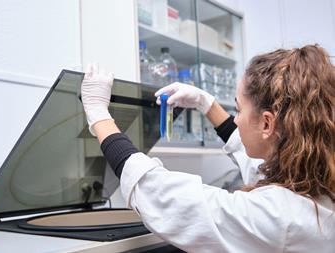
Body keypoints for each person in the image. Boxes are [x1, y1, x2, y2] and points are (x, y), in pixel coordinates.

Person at [81, 44, 335, 253]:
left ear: (267, 123)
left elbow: (164, 195)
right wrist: (206, 104)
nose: (235, 119)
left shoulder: (280, 217)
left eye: (239, 109)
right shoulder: (315, 186)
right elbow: (258, 169)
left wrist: (98, 115)